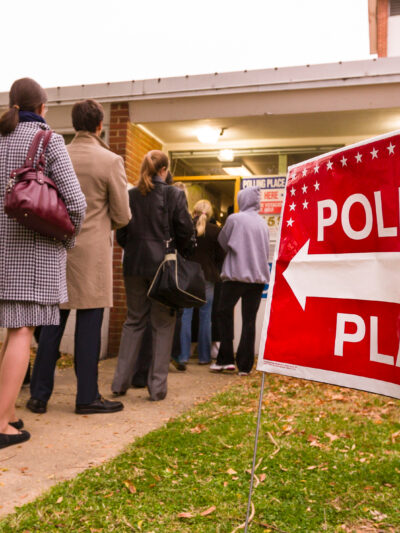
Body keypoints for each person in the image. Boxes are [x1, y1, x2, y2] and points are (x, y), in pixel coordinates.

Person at [28, 99, 130, 415]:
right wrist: (103, 222)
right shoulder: (110, 160)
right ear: (100, 125)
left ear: (74, 124)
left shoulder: (55, 155)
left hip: (56, 248)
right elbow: (123, 214)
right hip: (93, 255)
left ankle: (38, 395)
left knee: (51, 326)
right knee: (89, 328)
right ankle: (86, 397)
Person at [0, 78, 86, 448]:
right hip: (31, 252)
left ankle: (8, 412)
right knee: (22, 332)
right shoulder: (48, 140)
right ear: (44, 107)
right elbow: (77, 204)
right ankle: (0, 425)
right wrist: (68, 238)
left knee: (10, 330)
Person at [111, 150, 194, 401]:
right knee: (163, 325)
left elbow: (122, 234)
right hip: (164, 267)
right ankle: (156, 388)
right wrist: (183, 252)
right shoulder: (175, 194)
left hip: (134, 266)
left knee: (133, 321)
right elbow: (185, 232)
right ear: (164, 170)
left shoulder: (131, 196)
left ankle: (119, 383)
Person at [210, 186, 270, 375]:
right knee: (249, 320)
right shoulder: (263, 224)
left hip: (236, 275)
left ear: (241, 200)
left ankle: (225, 359)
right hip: (258, 278)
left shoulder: (234, 219)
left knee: (223, 313)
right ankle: (245, 366)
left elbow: (222, 240)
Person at [176, 199, 224, 370]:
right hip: (208, 277)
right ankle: (204, 357)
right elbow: (221, 256)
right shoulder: (216, 231)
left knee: (186, 316)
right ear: (210, 214)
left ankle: (183, 356)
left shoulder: (186, 229)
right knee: (206, 318)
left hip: (188, 277)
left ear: (194, 212)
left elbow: (180, 251)